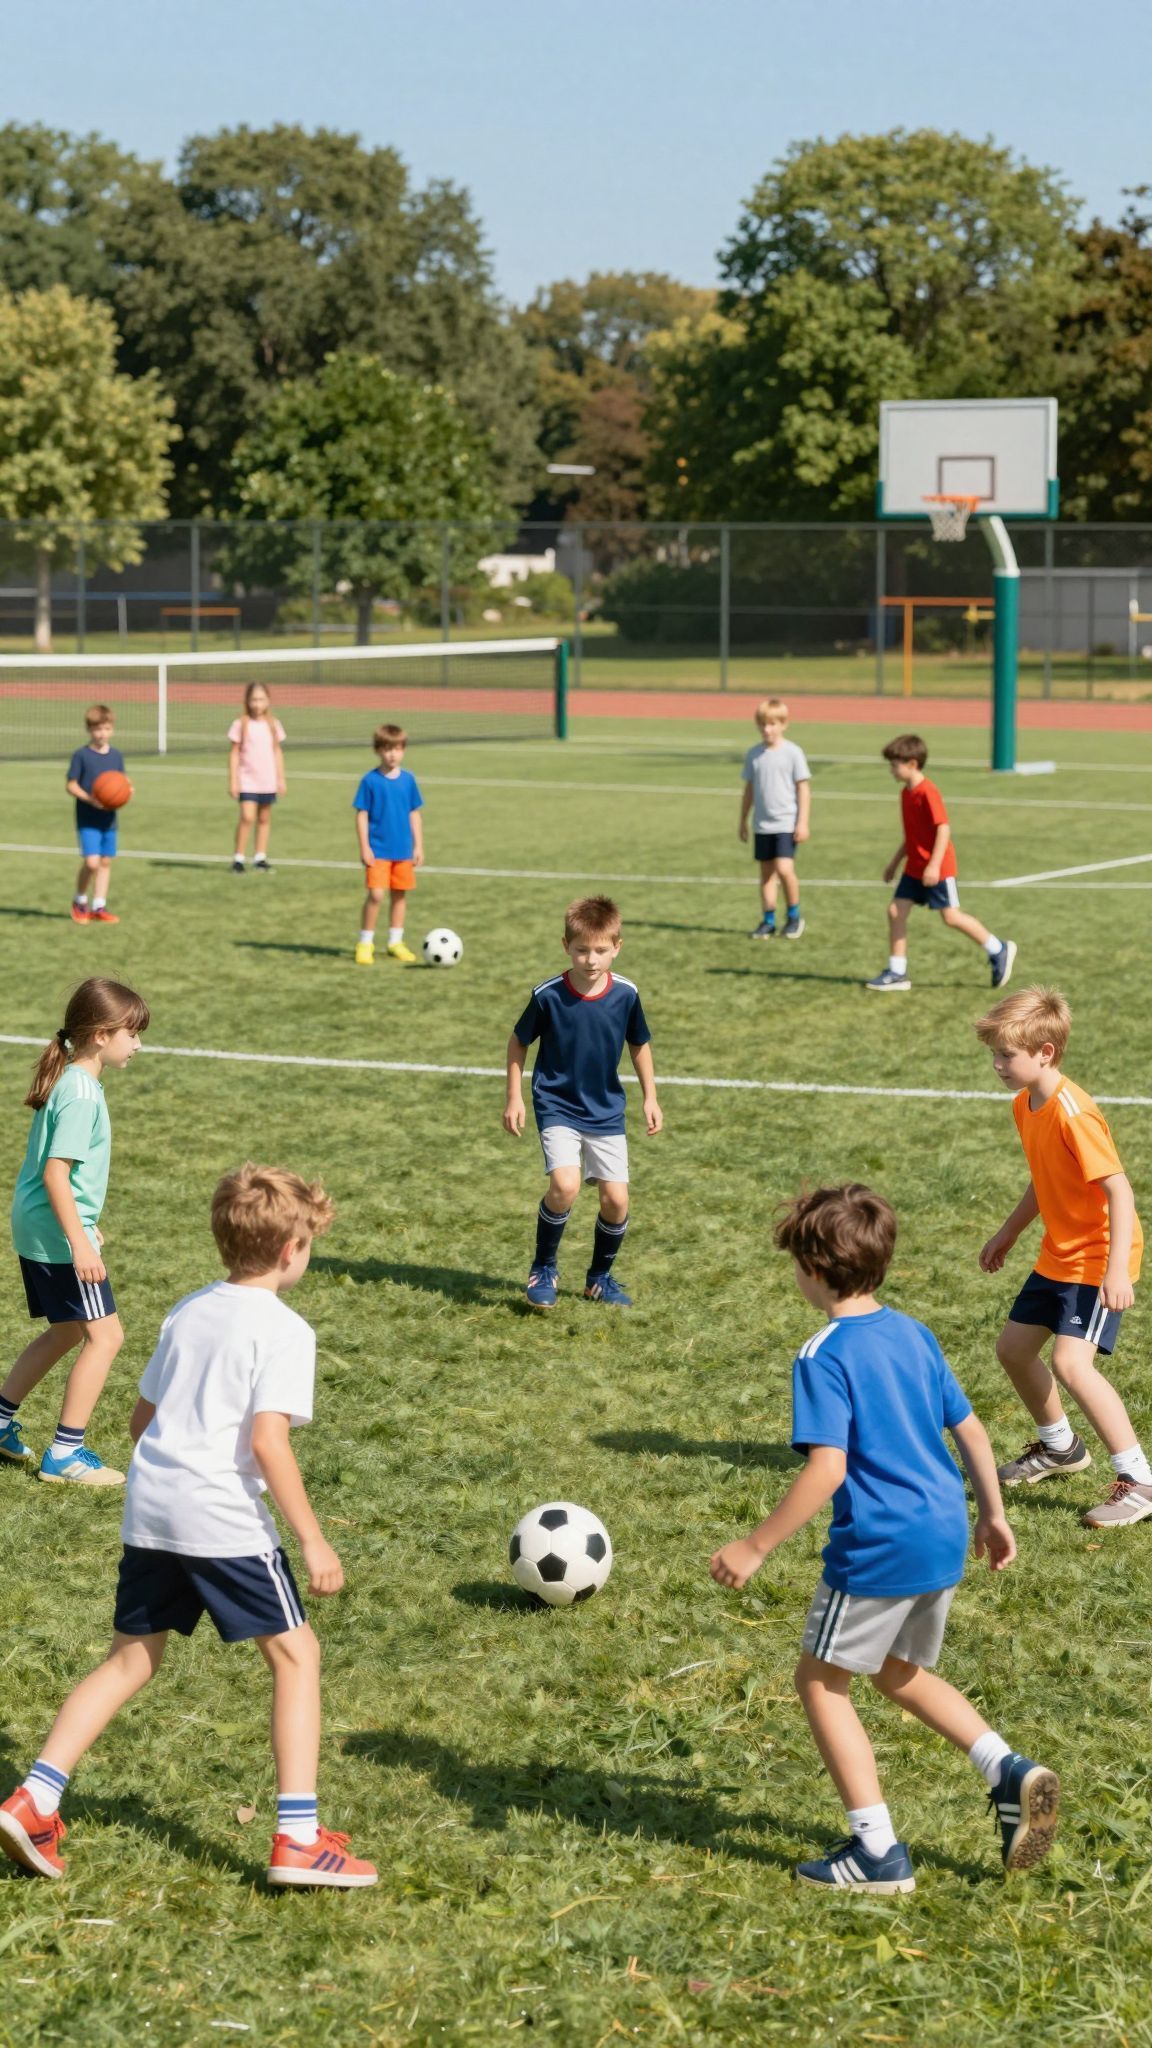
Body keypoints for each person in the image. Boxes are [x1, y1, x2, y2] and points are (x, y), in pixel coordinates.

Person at [0, 1163, 378, 1891]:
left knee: (130, 1660)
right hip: (220, 1515)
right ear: (292, 1249)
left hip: (151, 1505)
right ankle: (299, 1838)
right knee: (297, 1656)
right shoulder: (286, 1331)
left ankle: (35, 1799)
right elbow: (269, 1443)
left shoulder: (189, 1309)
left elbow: (140, 1421)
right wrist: (312, 1538)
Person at [710, 1183, 1059, 1893]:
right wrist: (993, 1514)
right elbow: (969, 1428)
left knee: (820, 1681)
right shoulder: (912, 1332)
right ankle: (1006, 1769)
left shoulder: (822, 1354)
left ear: (814, 1269)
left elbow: (828, 1468)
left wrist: (755, 1545)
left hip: (880, 1545)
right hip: (942, 1530)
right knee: (897, 1670)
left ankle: (876, 1852)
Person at [975, 986, 1150, 1527]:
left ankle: (1140, 1481)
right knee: (1013, 1350)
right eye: (995, 1054)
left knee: (1072, 1363)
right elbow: (1044, 1178)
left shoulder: (1075, 1114)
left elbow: (1119, 1191)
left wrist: (1116, 1270)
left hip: (1097, 1258)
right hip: (1059, 1253)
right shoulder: (1025, 1104)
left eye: (1006, 1054)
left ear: (1045, 1052)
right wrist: (1008, 1233)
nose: (998, 1065)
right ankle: (1061, 1448)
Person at [0, 977, 149, 1487]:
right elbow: (56, 1173)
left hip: (39, 1224)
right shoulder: (82, 1093)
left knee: (67, 1329)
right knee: (106, 1337)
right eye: (132, 1034)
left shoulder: (71, 1079)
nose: (138, 1045)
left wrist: (85, 1222)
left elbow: (59, 1175)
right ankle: (65, 1453)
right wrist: (79, 1240)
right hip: (56, 1234)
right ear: (102, 1035)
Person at [504, 895, 662, 1310]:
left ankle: (598, 1279)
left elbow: (639, 1044)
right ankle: (543, 1268)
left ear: (617, 947)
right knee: (565, 1185)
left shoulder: (626, 994)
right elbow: (518, 1042)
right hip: (556, 1103)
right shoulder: (548, 995)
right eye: (581, 950)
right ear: (566, 946)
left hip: (605, 1109)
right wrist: (514, 1097)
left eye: (601, 950)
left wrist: (650, 1097)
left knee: (617, 1200)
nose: (591, 960)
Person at [866, 734, 1015, 993]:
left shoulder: (927, 791)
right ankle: (897, 972)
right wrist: (894, 864)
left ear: (912, 764)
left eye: (894, 765)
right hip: (914, 868)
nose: (891, 769)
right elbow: (912, 836)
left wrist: (934, 865)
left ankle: (998, 948)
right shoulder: (906, 793)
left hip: (938, 868)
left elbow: (943, 829)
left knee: (951, 917)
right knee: (895, 911)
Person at [739, 698, 811, 940]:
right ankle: (768, 920)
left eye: (772, 724)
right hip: (762, 825)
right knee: (767, 873)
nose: (767, 729)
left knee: (784, 868)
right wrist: (743, 820)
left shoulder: (793, 753)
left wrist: (802, 822)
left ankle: (794, 917)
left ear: (783, 724)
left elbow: (803, 789)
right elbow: (749, 789)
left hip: (786, 823)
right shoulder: (754, 755)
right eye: (763, 724)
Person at [352, 724, 424, 965]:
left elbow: (414, 813)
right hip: (378, 850)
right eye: (387, 749)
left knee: (399, 896)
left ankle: (395, 941)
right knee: (376, 895)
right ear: (377, 750)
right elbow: (362, 814)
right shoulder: (370, 781)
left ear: (404, 750)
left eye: (397, 749)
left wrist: (418, 846)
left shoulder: (409, 780)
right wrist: (364, 846)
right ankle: (365, 942)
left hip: (403, 850)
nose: (392, 754)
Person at [66, 703, 131, 925]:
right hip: (88, 818)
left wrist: (127, 790)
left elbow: (121, 782)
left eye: (106, 728)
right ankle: (79, 901)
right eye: (97, 729)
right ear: (89, 730)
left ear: (112, 729)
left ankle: (99, 906)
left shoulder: (116, 755)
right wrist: (89, 799)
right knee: (92, 863)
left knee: (105, 862)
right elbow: (71, 785)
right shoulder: (81, 755)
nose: (102, 733)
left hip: (109, 819)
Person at [229, 682, 286, 873]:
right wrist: (233, 780)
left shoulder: (273, 724)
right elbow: (234, 753)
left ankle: (260, 857)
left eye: (261, 699)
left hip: (267, 780)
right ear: (247, 701)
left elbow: (277, 752)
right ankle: (238, 858)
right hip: (247, 780)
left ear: (268, 701)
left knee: (264, 818)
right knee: (247, 817)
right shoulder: (241, 724)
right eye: (254, 699)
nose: (257, 704)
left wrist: (280, 778)